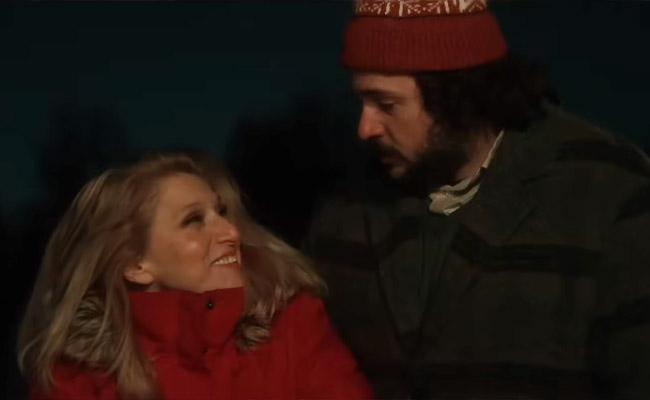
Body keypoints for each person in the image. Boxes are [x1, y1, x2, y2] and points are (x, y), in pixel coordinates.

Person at [306, 0, 650, 399]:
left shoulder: (607, 192)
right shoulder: (347, 205)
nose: (365, 128)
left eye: (386, 105)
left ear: (458, 96)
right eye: (361, 102)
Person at [18, 153, 373, 400]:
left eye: (221, 212)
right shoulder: (76, 378)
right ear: (135, 265)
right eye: (193, 220)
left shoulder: (293, 327)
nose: (231, 232)